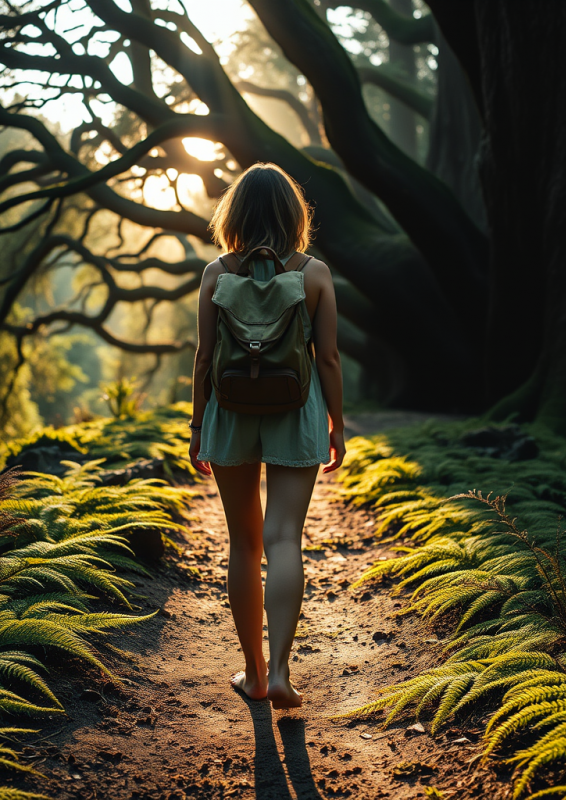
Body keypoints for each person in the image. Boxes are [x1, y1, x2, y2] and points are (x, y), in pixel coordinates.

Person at [188, 162, 346, 709]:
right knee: (283, 539)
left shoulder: (215, 274)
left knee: (243, 542)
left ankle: (252, 674)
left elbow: (205, 358)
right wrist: (337, 425)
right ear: (292, 214)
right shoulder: (315, 274)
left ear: (234, 214)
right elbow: (326, 358)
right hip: (297, 410)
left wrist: (196, 425)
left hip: (229, 414)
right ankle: (280, 671)